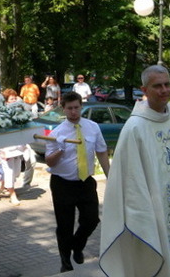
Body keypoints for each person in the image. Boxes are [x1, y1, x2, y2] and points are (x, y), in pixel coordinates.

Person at [99, 65, 170, 277]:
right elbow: (130, 181)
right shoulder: (135, 128)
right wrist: (142, 217)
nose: (164, 90)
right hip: (157, 212)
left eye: (167, 84)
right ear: (144, 90)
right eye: (157, 86)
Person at [45, 91, 110, 273]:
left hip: (85, 182)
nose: (73, 112)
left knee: (91, 220)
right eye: (69, 108)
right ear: (63, 109)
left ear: (81, 107)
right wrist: (60, 148)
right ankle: (65, 260)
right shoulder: (56, 133)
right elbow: (50, 161)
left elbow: (102, 152)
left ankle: (77, 245)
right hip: (62, 184)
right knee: (65, 225)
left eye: (76, 107)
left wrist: (109, 176)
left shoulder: (93, 127)